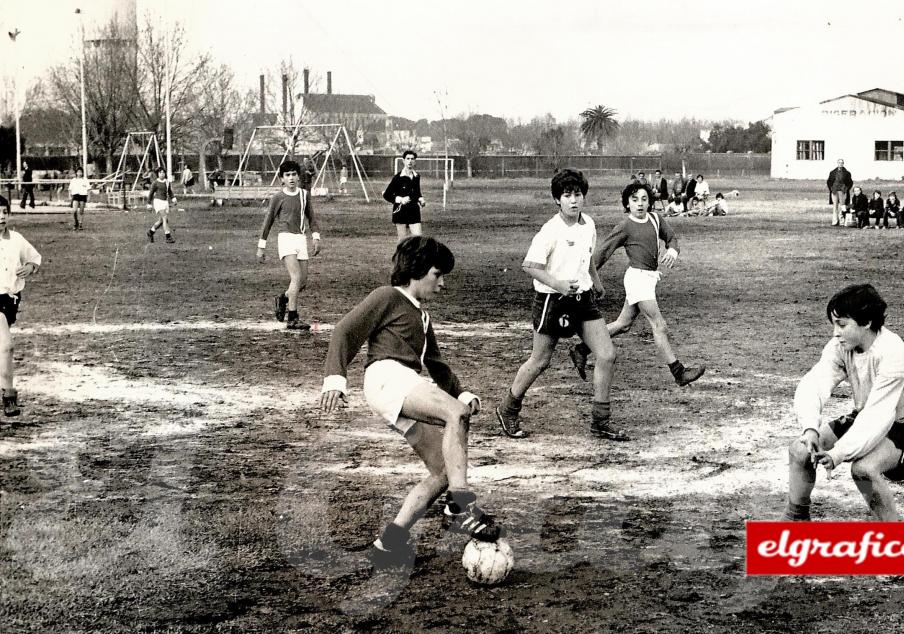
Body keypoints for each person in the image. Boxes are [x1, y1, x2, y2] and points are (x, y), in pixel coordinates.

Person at [320, 236, 500, 568]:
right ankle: (462, 507)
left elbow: (437, 364)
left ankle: (390, 544)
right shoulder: (387, 296)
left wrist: (462, 393)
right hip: (387, 376)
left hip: (405, 383)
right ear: (416, 270)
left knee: (444, 471)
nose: (442, 284)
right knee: (455, 415)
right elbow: (344, 331)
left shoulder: (424, 316)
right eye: (437, 274)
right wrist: (335, 378)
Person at [495, 168, 628, 442]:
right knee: (540, 360)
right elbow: (530, 266)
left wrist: (596, 280)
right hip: (553, 301)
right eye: (567, 195)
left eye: (577, 194)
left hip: (584, 299)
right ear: (557, 200)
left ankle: (600, 421)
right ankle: (508, 409)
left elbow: (587, 257)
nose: (573, 200)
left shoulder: (589, 224)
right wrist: (558, 285)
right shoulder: (550, 230)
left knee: (606, 355)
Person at [783, 284, 904, 522]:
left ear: (866, 323)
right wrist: (810, 428)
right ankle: (796, 519)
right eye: (834, 324)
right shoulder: (840, 346)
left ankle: (896, 539)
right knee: (801, 450)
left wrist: (838, 453)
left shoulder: (892, 352)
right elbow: (815, 382)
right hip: (865, 415)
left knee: (863, 470)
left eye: (842, 324)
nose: (835, 332)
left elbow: (879, 414)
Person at [570, 181, 705, 392]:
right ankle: (679, 372)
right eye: (634, 200)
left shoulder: (655, 218)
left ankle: (581, 349)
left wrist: (672, 251)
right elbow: (602, 253)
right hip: (637, 279)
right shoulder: (625, 226)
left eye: (644, 199)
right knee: (659, 325)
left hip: (649, 278)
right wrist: (585, 278)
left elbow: (672, 239)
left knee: (623, 324)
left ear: (650, 201)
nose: (640, 204)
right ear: (627, 204)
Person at [256, 159, 321, 331]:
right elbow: (268, 221)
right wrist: (261, 246)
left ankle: (284, 299)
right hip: (285, 238)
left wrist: (316, 237)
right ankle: (292, 318)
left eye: (294, 174)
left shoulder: (304, 195)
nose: (291, 178)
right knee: (296, 277)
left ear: (299, 177)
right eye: (287, 175)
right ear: (282, 179)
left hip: (300, 239)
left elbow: (311, 218)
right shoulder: (278, 197)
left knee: (303, 282)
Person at [0, 196, 43, 417]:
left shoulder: (16, 239)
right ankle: (9, 396)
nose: (1, 217)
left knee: (2, 346)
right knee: (6, 346)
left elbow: (35, 258)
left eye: (4, 212)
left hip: (10, 300)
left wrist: (30, 267)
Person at [383, 149, 425, 241]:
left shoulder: (416, 176)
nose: (410, 161)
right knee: (402, 241)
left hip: (414, 211)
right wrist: (401, 199)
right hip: (400, 212)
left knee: (418, 239)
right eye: (408, 159)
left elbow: (417, 192)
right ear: (403, 161)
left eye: (412, 159)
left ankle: (415, 256)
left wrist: (421, 198)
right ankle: (400, 256)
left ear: (415, 161)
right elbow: (386, 195)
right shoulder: (397, 178)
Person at [146, 167, 177, 245]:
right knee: (164, 217)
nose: (162, 174)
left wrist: (173, 198)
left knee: (162, 221)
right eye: (160, 173)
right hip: (158, 202)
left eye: (163, 172)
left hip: (165, 202)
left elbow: (170, 191)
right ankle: (168, 237)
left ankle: (151, 232)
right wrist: (149, 204)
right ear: (158, 174)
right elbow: (151, 194)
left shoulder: (167, 182)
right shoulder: (155, 183)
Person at [826, 159, 853, 226]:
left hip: (842, 191)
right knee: (835, 206)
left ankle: (842, 221)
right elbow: (829, 181)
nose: (840, 164)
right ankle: (835, 221)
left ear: (843, 164)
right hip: (834, 191)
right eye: (839, 162)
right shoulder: (832, 172)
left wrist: (846, 189)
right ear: (837, 163)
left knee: (842, 206)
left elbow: (850, 182)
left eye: (841, 163)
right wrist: (831, 189)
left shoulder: (847, 173)